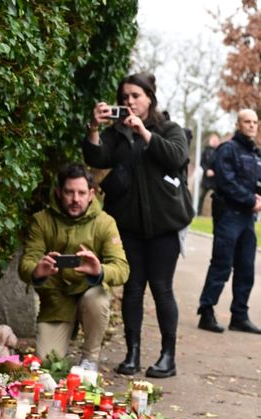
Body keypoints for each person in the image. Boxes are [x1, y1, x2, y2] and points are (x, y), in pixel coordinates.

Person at [83, 73, 194, 379]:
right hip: (128, 225)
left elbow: (176, 156)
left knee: (161, 288)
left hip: (164, 226)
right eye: (124, 97)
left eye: (135, 96)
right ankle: (132, 354)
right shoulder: (116, 134)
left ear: (150, 97)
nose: (129, 102)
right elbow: (96, 156)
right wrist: (94, 127)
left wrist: (144, 132)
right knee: (132, 289)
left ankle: (167, 357)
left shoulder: (169, 129)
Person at [19, 164, 129, 365]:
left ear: (91, 194)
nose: (75, 199)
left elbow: (122, 269)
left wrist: (99, 271)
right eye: (69, 192)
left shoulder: (105, 223)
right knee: (47, 364)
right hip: (56, 300)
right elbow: (26, 264)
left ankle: (89, 358)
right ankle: (64, 335)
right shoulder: (42, 220)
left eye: (81, 193)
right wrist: (37, 271)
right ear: (59, 192)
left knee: (98, 299)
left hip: (89, 292)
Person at [196, 109, 261, 335]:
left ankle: (239, 315)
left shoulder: (256, 152)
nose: (251, 125)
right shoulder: (227, 149)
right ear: (238, 124)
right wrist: (252, 200)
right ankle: (206, 312)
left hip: (247, 218)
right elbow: (226, 182)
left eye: (255, 122)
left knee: (246, 268)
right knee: (221, 265)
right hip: (229, 215)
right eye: (247, 121)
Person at [198, 133, 221, 215]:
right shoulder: (205, 151)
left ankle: (216, 214)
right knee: (201, 197)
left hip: (215, 180)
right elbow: (201, 163)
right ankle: (198, 213)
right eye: (213, 140)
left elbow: (221, 164)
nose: (214, 142)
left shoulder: (220, 152)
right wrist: (206, 170)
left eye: (216, 140)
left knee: (218, 198)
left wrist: (215, 171)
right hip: (206, 179)